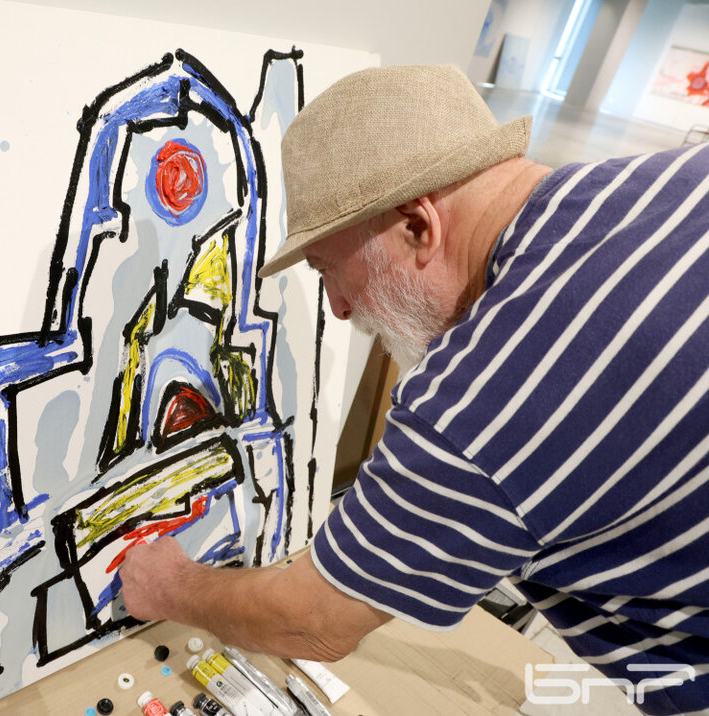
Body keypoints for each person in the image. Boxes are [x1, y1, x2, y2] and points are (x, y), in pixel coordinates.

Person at [120, 64, 709, 714]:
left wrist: (171, 587)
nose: (339, 307)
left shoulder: (488, 396)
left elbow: (312, 622)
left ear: (418, 227)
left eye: (326, 268)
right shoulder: (667, 181)